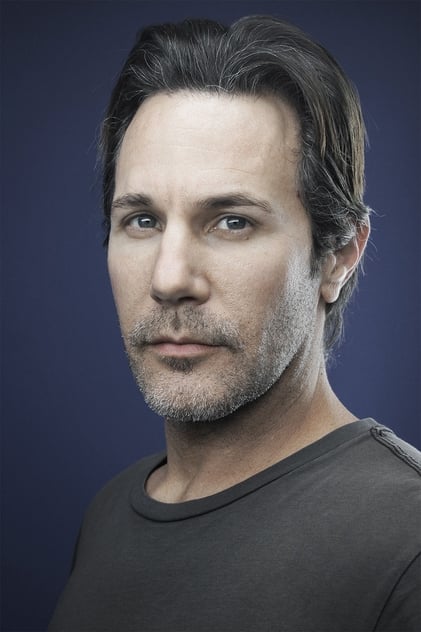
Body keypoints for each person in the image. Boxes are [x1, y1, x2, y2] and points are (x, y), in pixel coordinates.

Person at [48, 15, 421, 632]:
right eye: (142, 220)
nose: (170, 278)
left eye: (232, 222)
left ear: (338, 257)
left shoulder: (407, 542)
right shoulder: (108, 514)